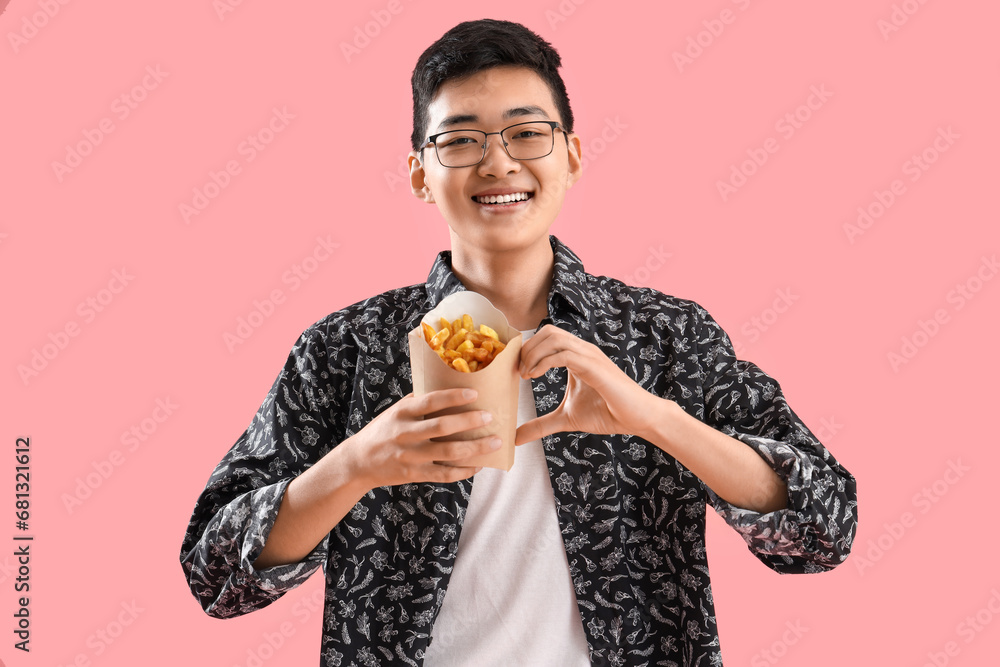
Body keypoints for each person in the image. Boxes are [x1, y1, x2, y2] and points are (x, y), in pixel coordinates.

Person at [180, 18, 857, 666]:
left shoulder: (668, 335)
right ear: (420, 172)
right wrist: (356, 463)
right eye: (462, 140)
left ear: (573, 155)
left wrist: (656, 418)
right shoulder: (345, 348)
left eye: (527, 133)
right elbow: (216, 575)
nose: (498, 162)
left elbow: (824, 527)